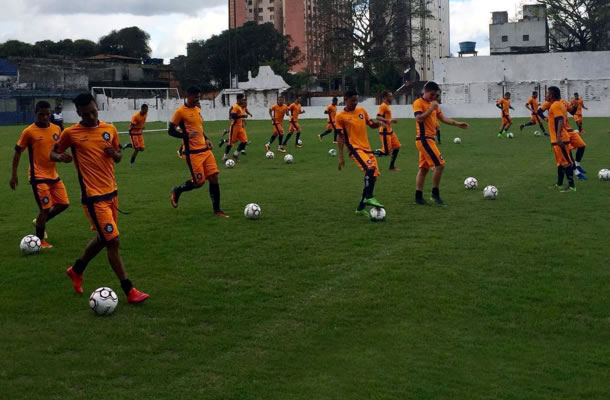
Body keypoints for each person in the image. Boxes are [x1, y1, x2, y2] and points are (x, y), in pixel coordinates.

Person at [51, 93, 148, 303]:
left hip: (112, 193)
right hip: (93, 197)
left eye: (93, 111)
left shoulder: (109, 129)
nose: (91, 116)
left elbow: (120, 157)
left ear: (97, 107)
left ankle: (76, 270)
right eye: (86, 114)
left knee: (104, 239)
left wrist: (115, 154)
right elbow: (53, 153)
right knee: (113, 242)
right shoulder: (71, 133)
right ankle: (129, 290)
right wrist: (61, 157)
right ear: (78, 112)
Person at [10, 101, 69, 248]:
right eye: (41, 114)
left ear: (50, 114)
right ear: (35, 113)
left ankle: (40, 222)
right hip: (38, 176)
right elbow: (17, 152)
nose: (44, 117)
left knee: (63, 204)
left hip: (53, 174)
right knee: (45, 208)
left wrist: (64, 156)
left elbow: (58, 149)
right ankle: (40, 240)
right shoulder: (29, 132)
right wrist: (14, 175)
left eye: (47, 114)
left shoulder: (56, 129)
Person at [168, 86, 228, 218]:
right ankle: (177, 190)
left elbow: (198, 128)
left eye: (198, 97)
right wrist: (186, 136)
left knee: (214, 177)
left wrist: (206, 139)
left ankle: (217, 210)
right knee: (199, 182)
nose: (197, 99)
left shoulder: (197, 109)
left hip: (205, 150)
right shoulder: (180, 112)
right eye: (195, 97)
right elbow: (170, 130)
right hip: (192, 153)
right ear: (187, 95)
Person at [413, 81, 469, 206]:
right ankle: (435, 194)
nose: (433, 97)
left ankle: (418, 197)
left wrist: (458, 123)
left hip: (429, 139)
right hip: (424, 139)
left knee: (423, 169)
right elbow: (419, 118)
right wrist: (430, 109)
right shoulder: (419, 103)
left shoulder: (434, 105)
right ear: (425, 92)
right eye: (431, 94)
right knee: (440, 165)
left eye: (435, 95)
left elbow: (443, 119)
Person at [335, 89, 385, 216]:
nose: (355, 103)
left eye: (357, 100)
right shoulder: (340, 116)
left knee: (373, 175)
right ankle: (369, 196)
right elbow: (340, 137)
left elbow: (370, 124)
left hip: (367, 148)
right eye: (353, 101)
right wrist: (341, 156)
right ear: (345, 100)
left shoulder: (362, 111)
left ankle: (361, 208)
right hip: (354, 148)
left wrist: (379, 124)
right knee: (370, 168)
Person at [546, 86, 576, 192]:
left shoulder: (555, 105)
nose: (546, 95)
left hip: (560, 139)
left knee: (566, 163)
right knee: (560, 163)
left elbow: (560, 120)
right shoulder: (557, 104)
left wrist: (558, 136)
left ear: (552, 95)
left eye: (548, 93)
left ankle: (572, 187)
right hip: (556, 139)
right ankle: (559, 184)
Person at [376, 90, 401, 171]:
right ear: (385, 97)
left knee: (397, 146)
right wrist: (388, 121)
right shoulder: (383, 106)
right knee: (386, 152)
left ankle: (392, 166)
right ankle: (368, 152)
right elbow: (378, 117)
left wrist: (390, 120)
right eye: (390, 96)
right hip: (384, 131)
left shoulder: (387, 106)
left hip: (390, 131)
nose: (392, 97)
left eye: (391, 96)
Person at [223, 94, 249, 162]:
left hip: (240, 127)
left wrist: (242, 118)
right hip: (234, 127)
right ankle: (225, 156)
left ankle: (235, 154)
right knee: (230, 143)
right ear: (238, 99)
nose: (243, 101)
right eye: (242, 99)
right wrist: (242, 116)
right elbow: (233, 116)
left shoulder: (240, 107)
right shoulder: (236, 107)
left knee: (244, 141)